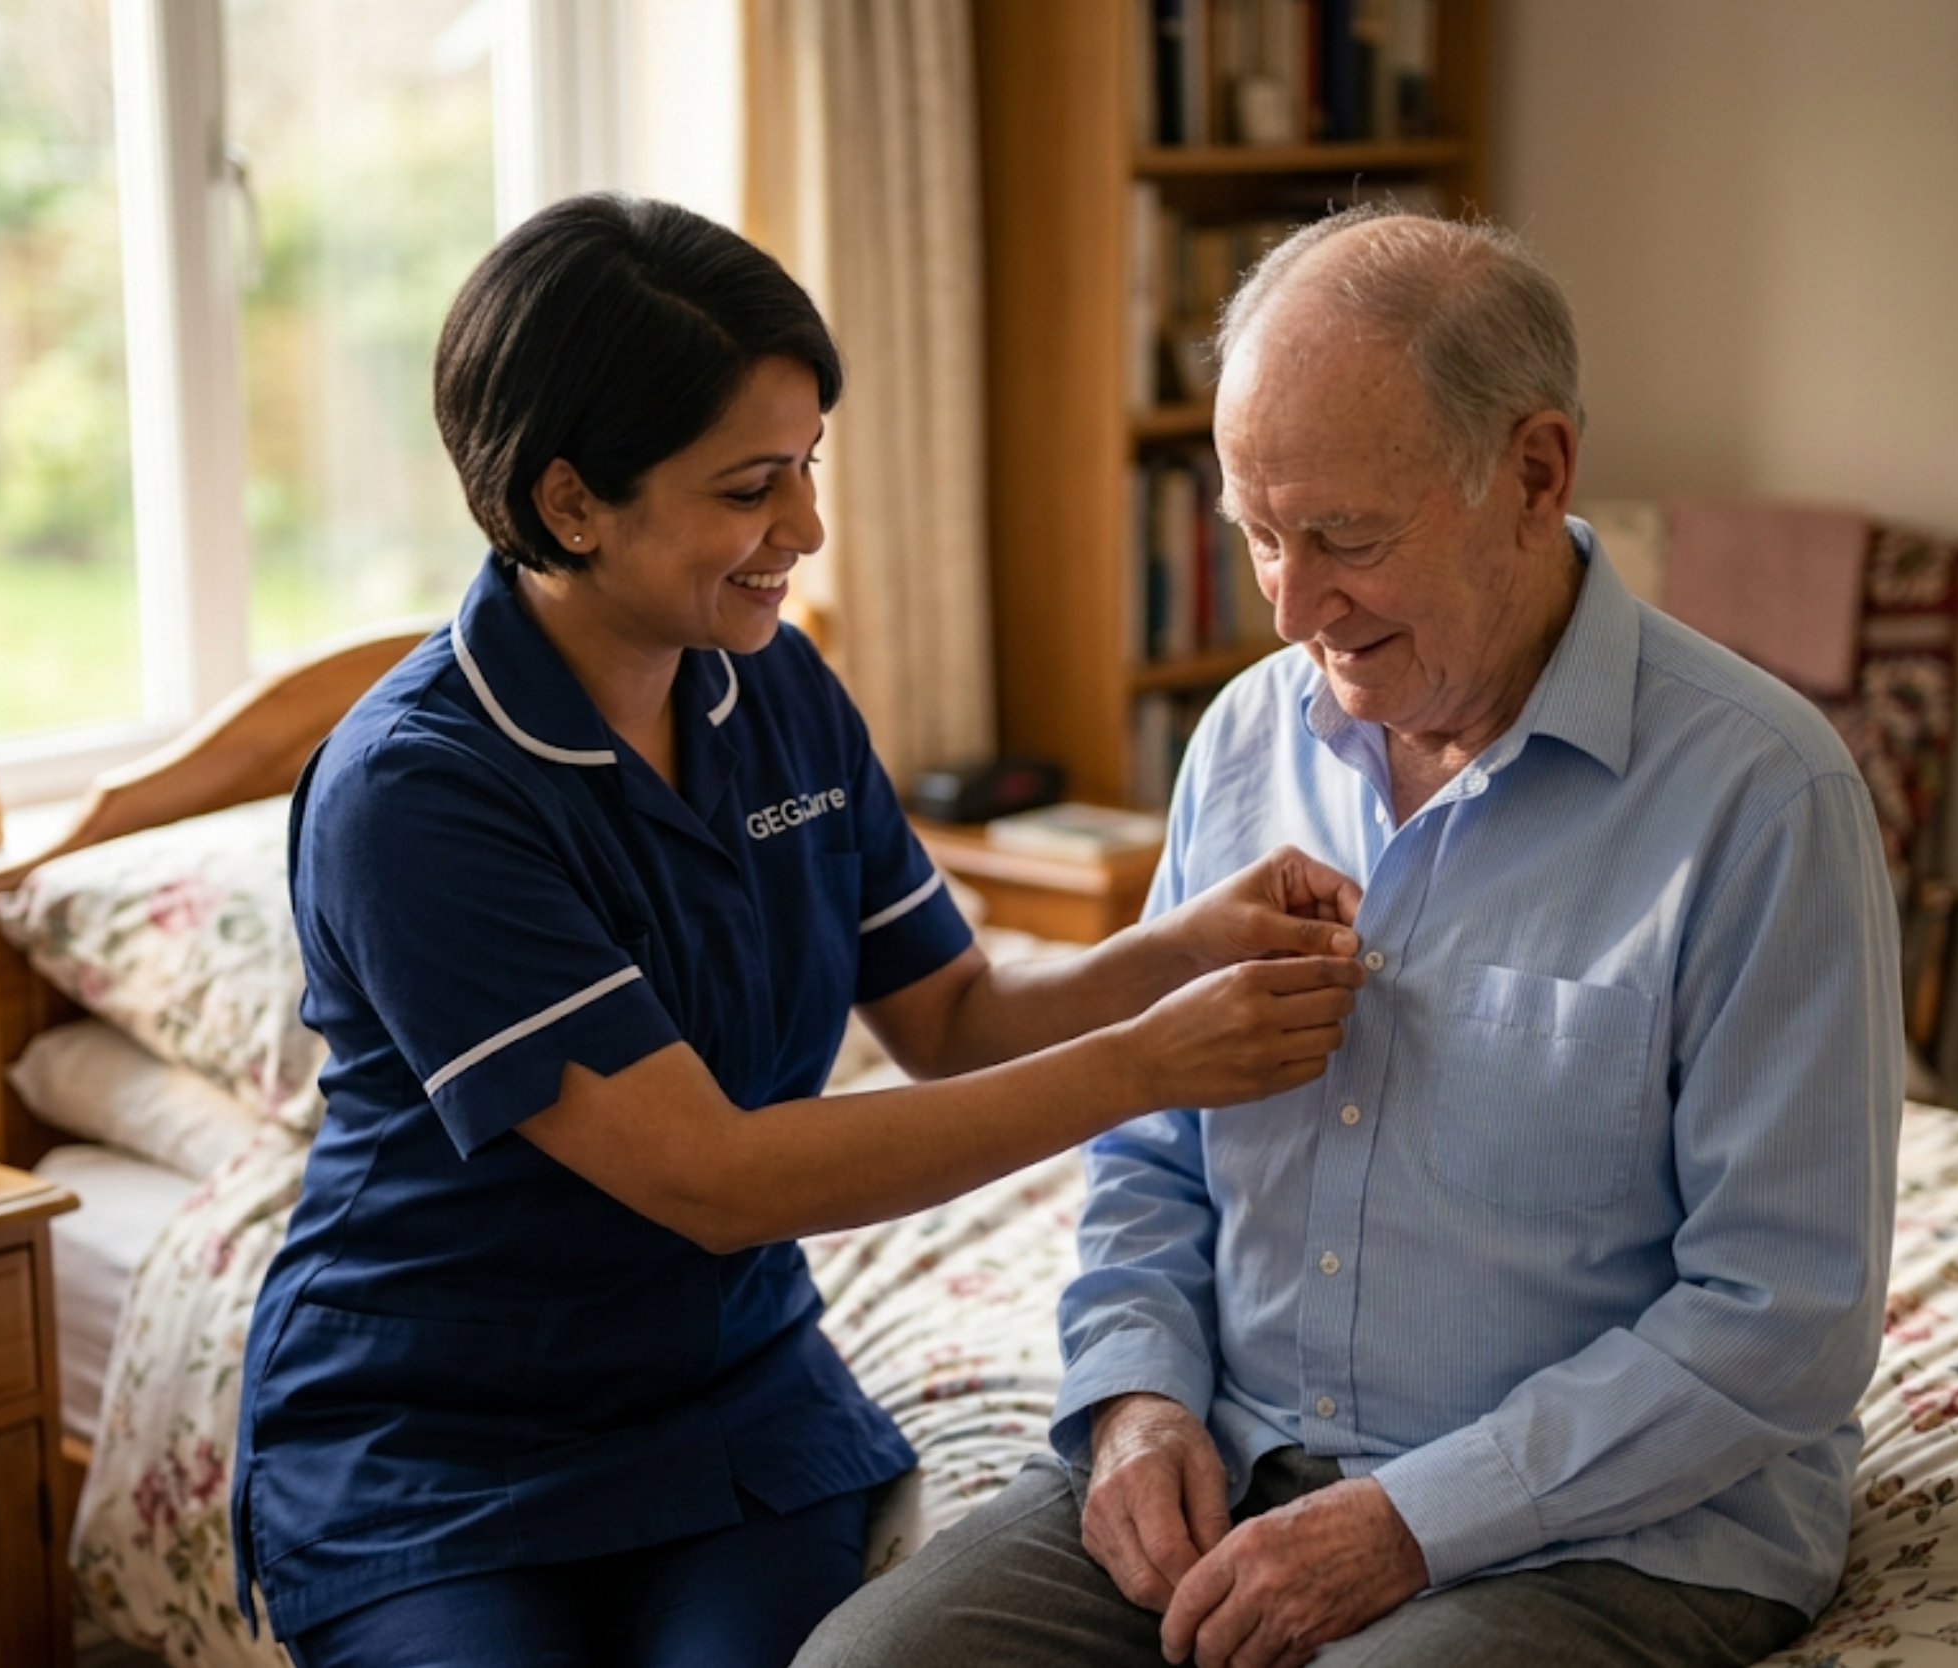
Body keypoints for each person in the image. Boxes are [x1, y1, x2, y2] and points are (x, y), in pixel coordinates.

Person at [230, 192, 1373, 1668]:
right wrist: (1151, 1065)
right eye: (751, 487)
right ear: (570, 502)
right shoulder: (418, 795)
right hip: (438, 1436)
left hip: (726, 1402)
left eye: (808, 467)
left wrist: (1184, 946)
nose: (808, 531)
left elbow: (954, 1019)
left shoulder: (768, 687)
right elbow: (714, 1179)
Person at [795, 208, 1905, 1668]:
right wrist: (1136, 1406)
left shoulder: (1763, 798)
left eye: (1347, 538)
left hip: (1610, 1531)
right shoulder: (1247, 738)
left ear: (1535, 471)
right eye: (1258, 535)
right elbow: (1150, 1155)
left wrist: (1408, 1520)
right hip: (1234, 1456)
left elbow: (1785, 1315)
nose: (1293, 603)